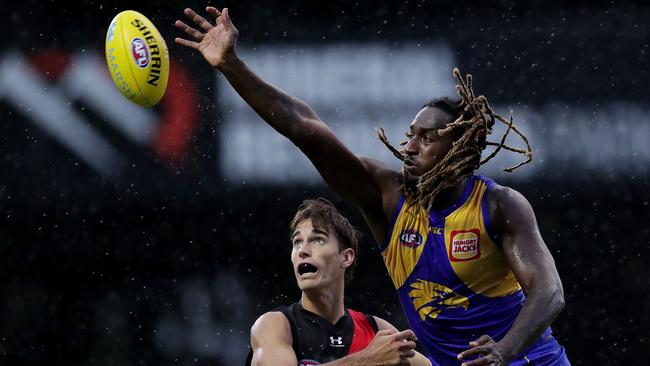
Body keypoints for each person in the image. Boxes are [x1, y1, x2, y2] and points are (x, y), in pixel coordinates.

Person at [175, 6, 570, 366]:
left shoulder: (499, 205)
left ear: (461, 149)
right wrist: (231, 65)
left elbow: (549, 292)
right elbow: (305, 128)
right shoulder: (388, 197)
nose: (410, 147)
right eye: (411, 135)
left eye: (427, 138)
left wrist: (505, 350)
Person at [244, 198, 432, 366]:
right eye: (297, 242)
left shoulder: (376, 330)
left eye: (317, 240)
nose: (302, 250)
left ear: (346, 257)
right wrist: (367, 360)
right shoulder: (275, 325)